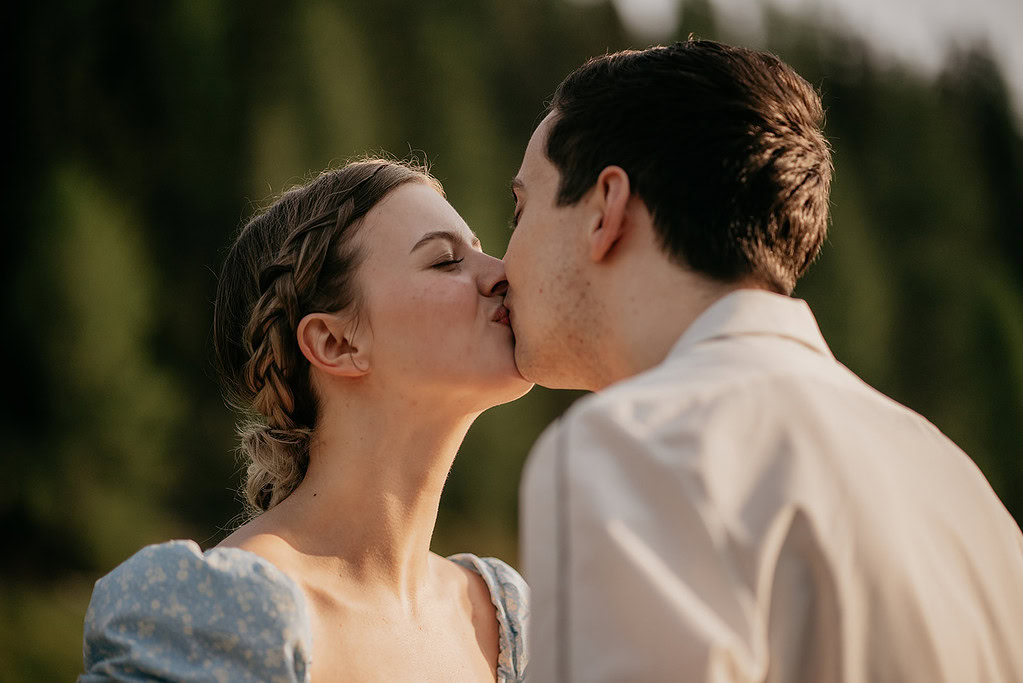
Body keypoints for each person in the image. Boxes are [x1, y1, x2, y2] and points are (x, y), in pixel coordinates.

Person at [507, 39, 1023, 682]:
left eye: (520, 208)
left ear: (606, 208)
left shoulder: (636, 445)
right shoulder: (966, 492)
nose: (501, 268)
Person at [79, 159, 531, 682]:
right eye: (446, 261)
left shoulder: (499, 617)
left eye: (479, 248)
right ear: (335, 342)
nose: (500, 273)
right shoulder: (223, 616)